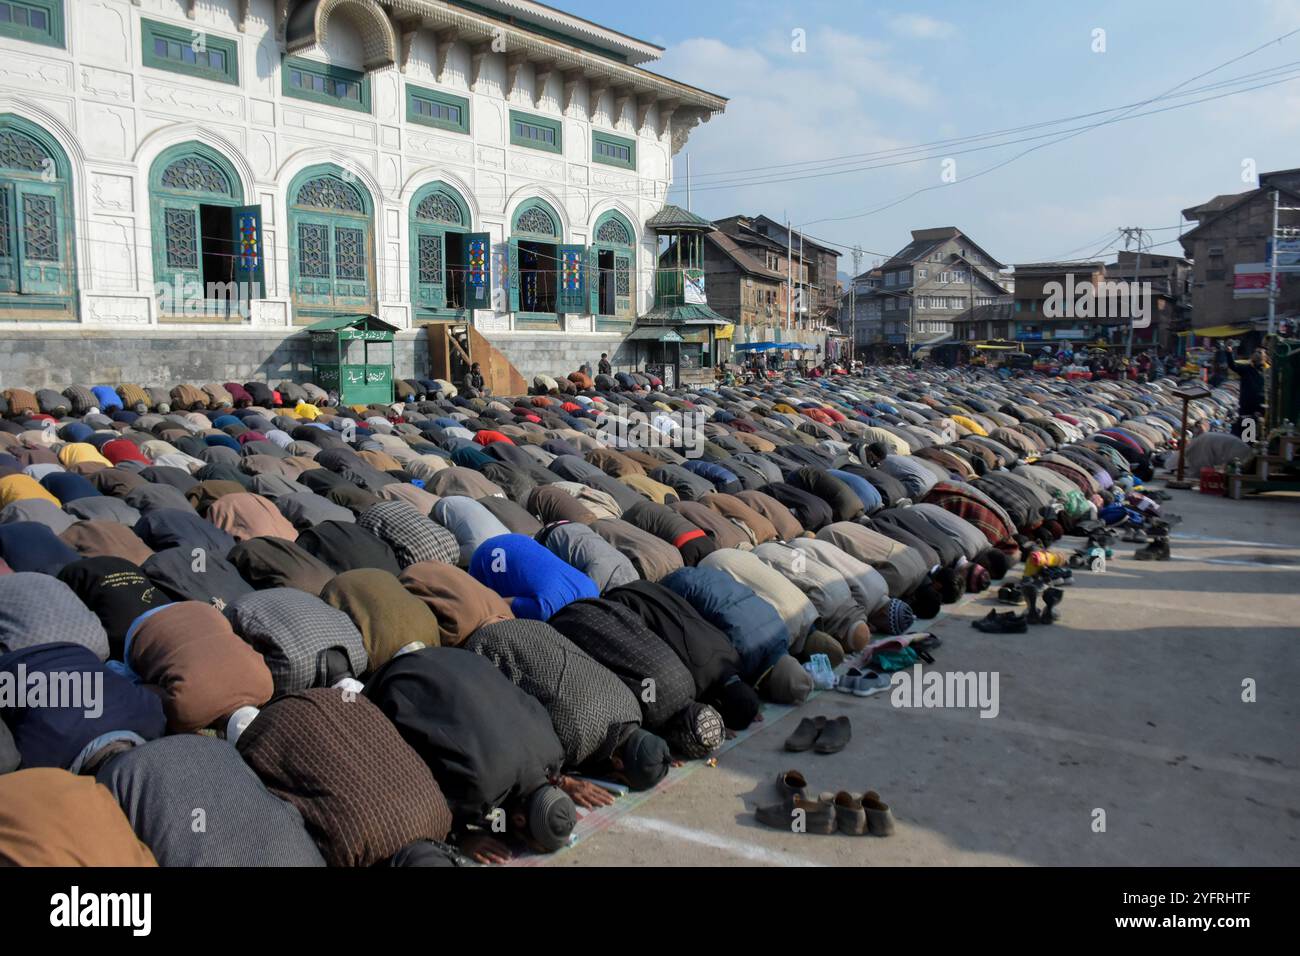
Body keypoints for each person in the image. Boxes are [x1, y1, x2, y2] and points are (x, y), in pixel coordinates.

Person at [1232, 348, 1268, 437]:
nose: (1257, 354)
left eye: (1260, 352)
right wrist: (1229, 352)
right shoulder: (1246, 369)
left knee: (1262, 433)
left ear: (1265, 357)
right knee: (1248, 437)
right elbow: (1232, 366)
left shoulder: (1268, 371)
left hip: (1263, 408)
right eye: (1255, 352)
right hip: (1247, 408)